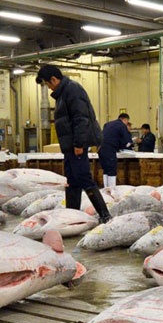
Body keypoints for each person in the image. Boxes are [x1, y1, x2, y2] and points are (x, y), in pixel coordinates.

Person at [35, 64, 111, 223]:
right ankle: (72, 216)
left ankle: (105, 216)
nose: (48, 88)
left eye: (48, 84)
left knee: (83, 178)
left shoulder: (72, 90)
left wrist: (79, 144)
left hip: (76, 146)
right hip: (69, 146)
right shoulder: (63, 93)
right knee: (71, 181)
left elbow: (81, 119)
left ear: (54, 79)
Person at [99, 112, 135, 189]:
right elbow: (127, 140)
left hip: (101, 149)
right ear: (125, 120)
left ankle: (106, 189)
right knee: (112, 170)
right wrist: (130, 144)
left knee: (106, 170)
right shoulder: (122, 125)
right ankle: (112, 190)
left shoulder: (107, 124)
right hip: (109, 150)